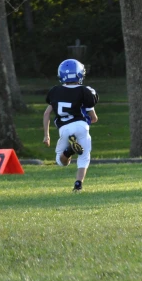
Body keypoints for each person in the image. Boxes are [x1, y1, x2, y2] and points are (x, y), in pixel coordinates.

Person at [42, 59, 99, 192]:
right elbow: (94, 118)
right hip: (81, 125)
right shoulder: (85, 91)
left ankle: (69, 151)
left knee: (61, 161)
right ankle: (78, 184)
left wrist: (47, 135)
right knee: (84, 156)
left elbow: (46, 114)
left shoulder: (55, 91)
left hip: (64, 128)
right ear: (79, 74)